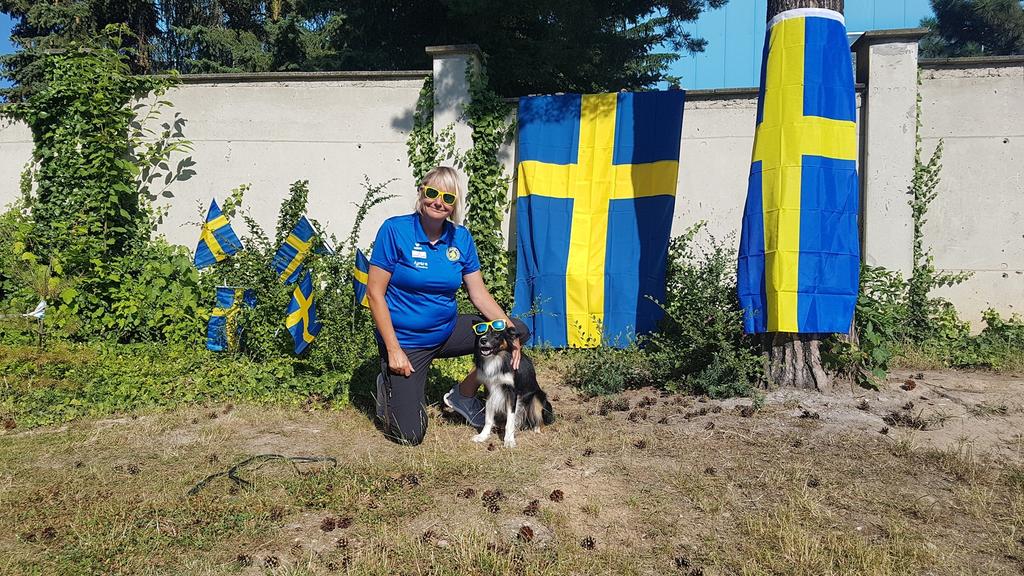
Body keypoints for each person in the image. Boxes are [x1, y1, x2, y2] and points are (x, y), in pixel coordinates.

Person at [366, 166, 529, 446]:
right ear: (421, 192)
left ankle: (463, 395)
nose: (438, 202)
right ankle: (388, 384)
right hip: (407, 343)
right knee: (409, 435)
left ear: (454, 204)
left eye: (448, 197)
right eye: (432, 193)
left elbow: (478, 294)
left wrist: (509, 334)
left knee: (517, 330)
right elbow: (374, 294)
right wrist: (393, 350)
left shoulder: (460, 237)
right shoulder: (395, 230)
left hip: (447, 330)